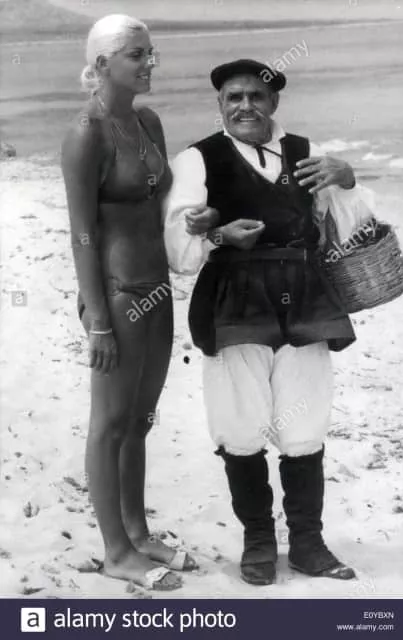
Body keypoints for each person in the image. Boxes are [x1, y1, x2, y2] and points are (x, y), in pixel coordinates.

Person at [164, 59, 373, 586]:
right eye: (233, 97)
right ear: (219, 104)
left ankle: (307, 543)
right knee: (240, 424)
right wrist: (213, 234)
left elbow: (351, 229)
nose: (245, 106)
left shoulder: (304, 151)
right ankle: (258, 540)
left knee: (304, 424)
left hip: (304, 298)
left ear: (274, 102)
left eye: (256, 96)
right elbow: (178, 252)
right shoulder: (197, 159)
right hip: (233, 301)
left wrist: (348, 180)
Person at [61, 14, 199, 591]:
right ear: (102, 65)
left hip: (158, 288)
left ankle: (139, 535)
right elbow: (82, 233)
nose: (149, 63)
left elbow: (162, 204)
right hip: (117, 296)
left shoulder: (148, 121)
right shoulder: (85, 134)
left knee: (140, 420)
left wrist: (203, 221)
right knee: (110, 423)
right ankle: (116, 551)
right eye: (137, 55)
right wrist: (96, 319)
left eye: (151, 53)